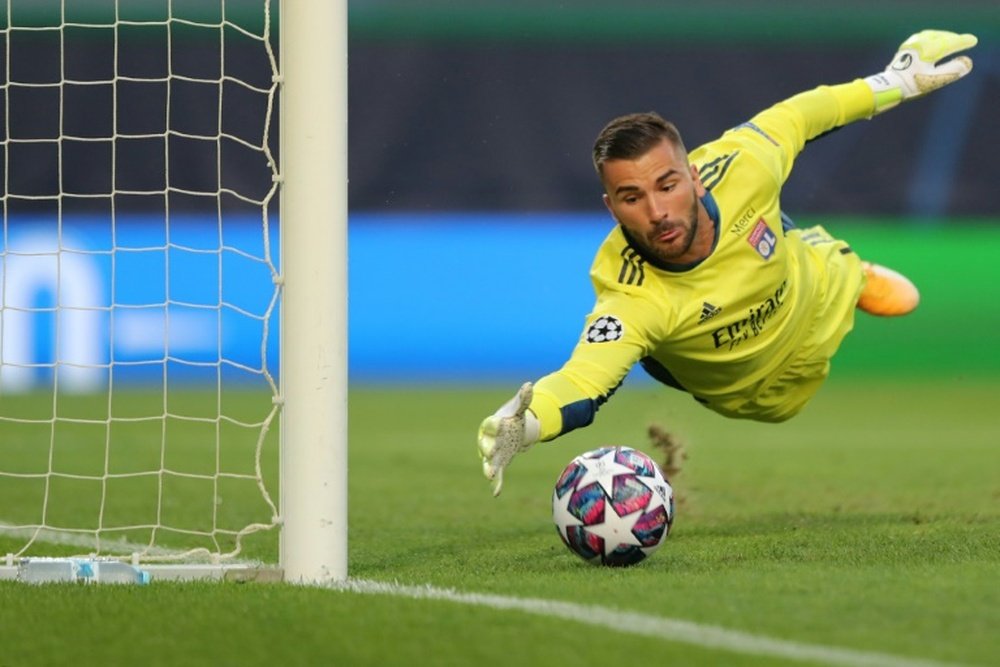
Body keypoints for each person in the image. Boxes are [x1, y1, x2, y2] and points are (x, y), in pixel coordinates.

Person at [477, 30, 978, 496]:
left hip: (812, 294)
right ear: (611, 208)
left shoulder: (742, 164)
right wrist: (529, 423)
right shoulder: (631, 294)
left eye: (668, 185)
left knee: (789, 240)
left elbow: (806, 114)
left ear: (694, 177)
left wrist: (895, 82)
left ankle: (848, 272)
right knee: (724, 364)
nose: (656, 212)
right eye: (631, 197)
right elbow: (584, 380)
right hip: (753, 395)